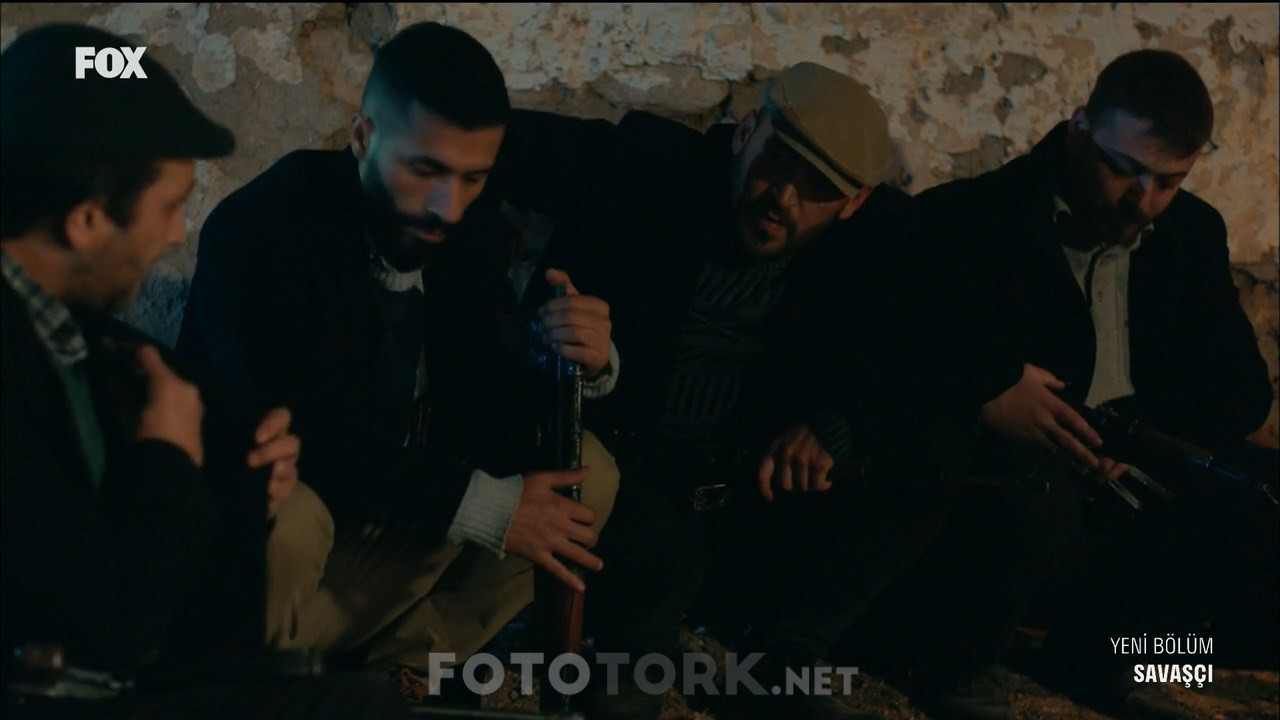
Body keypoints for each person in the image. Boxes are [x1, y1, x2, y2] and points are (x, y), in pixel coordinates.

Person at [490, 62, 977, 720]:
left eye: (817, 188)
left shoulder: (880, 231)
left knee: (933, 457)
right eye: (776, 162)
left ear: (854, 202)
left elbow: (966, 347)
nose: (785, 197)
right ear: (745, 133)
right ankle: (636, 650)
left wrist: (840, 424)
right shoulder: (651, 164)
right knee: (659, 558)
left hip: (747, 475)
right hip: (628, 453)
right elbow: (483, 138)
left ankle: (782, 657)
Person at [175, 20, 620, 705]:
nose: (449, 206)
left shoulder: (464, 226)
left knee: (584, 471)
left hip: (381, 535)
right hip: (260, 568)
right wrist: (486, 508)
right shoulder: (264, 229)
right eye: (425, 170)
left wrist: (579, 362)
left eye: (474, 177)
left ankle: (399, 671)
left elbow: (481, 386)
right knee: (287, 514)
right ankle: (244, 694)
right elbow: (303, 434)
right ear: (362, 138)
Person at [1, 22, 408, 720]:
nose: (176, 233)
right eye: (166, 208)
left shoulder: (80, 338)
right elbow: (110, 624)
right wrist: (168, 455)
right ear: (87, 220)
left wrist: (240, 478)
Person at [913, 48, 1278, 715]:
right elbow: (910, 349)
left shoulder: (1190, 231)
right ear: (1080, 129)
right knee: (1022, 489)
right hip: (1028, 474)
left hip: (1133, 471)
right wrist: (993, 388)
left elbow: (1243, 393)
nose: (1144, 200)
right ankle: (965, 666)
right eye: (1123, 169)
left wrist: (1142, 443)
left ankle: (1117, 655)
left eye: (1168, 181)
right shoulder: (974, 217)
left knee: (1264, 499)